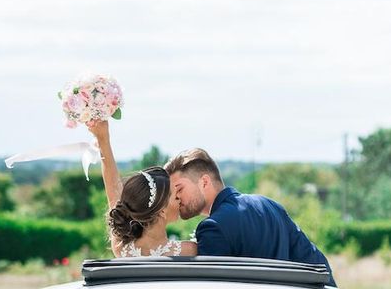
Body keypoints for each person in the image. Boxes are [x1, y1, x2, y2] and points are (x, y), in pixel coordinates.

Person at [165, 148, 337, 286]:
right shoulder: (270, 205)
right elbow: (317, 263)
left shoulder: (213, 227)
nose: (177, 198)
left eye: (179, 189)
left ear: (204, 182)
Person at [87, 119, 197, 257]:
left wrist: (103, 138)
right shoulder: (189, 251)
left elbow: (113, 192)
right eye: (176, 196)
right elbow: (114, 191)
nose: (180, 199)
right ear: (162, 211)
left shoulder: (122, 249)